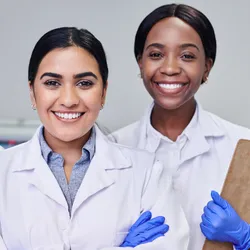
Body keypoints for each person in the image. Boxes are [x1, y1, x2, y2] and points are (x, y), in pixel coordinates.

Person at [0, 27, 189, 250]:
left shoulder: (147, 173)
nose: (69, 100)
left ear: (103, 92)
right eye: (52, 83)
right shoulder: (4, 171)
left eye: (84, 83)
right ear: (32, 92)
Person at [112, 3, 250, 250]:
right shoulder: (111, 149)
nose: (170, 68)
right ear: (140, 63)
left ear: (206, 67)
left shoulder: (243, 148)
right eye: (156, 55)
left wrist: (245, 237)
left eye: (187, 56)